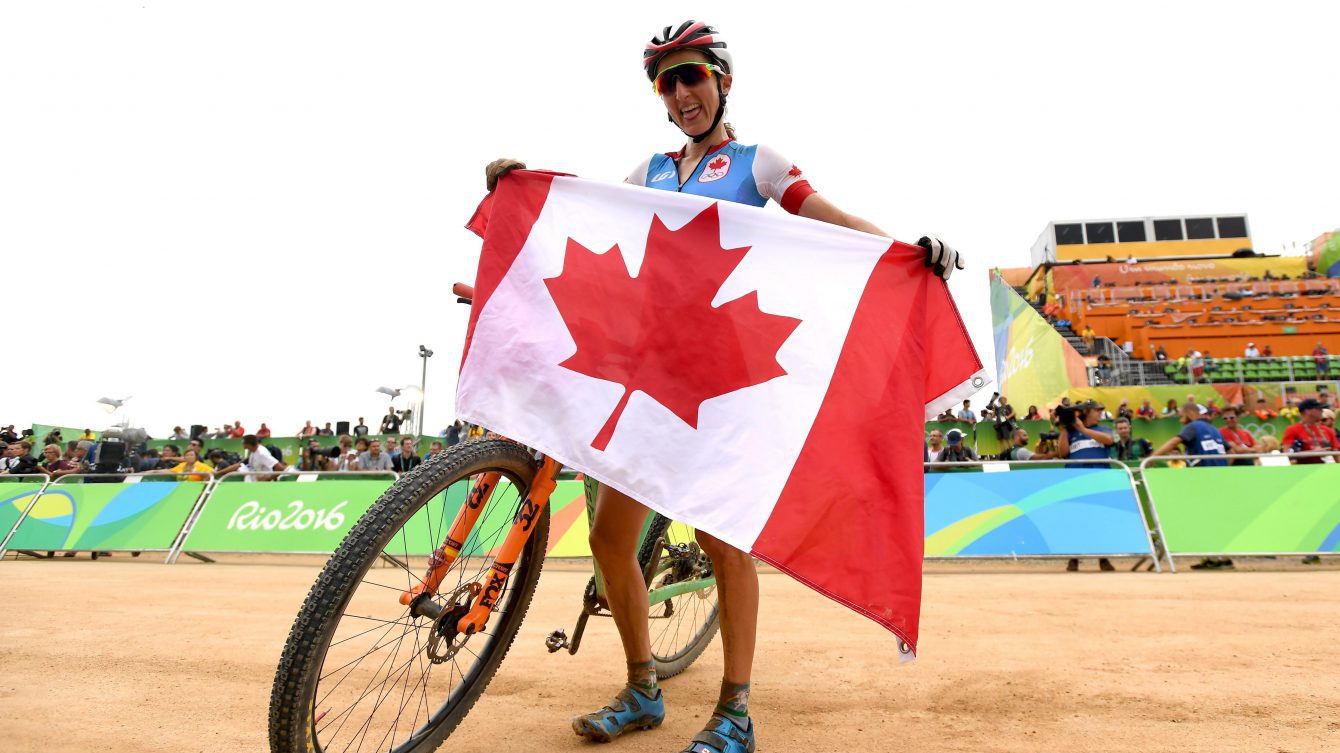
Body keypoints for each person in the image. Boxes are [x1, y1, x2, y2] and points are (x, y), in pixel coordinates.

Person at [485, 20, 968, 751]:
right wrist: (523, 187)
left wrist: (910, 251)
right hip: (649, 379)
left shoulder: (758, 162)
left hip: (721, 384)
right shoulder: (647, 173)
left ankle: (735, 710)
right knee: (612, 540)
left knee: (723, 544)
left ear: (722, 81)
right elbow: (580, 220)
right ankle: (643, 688)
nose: (682, 93)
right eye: (668, 81)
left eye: (693, 76)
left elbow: (834, 225)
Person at [1057, 401, 1116, 572]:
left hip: (1099, 477)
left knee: (1100, 518)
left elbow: (1109, 440)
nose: (1099, 413)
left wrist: (1083, 430)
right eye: (1097, 411)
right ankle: (1074, 558)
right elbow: (1063, 453)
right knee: (1076, 519)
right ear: (1087, 413)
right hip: (1076, 478)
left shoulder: (1102, 429)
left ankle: (1103, 559)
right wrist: (1062, 429)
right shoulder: (1069, 432)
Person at [1151, 405, 1228, 467]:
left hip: (1203, 475)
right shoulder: (1215, 429)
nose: (1180, 421)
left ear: (1190, 413)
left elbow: (1173, 442)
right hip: (1221, 474)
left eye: (1181, 416)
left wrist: (1152, 458)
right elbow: (1231, 451)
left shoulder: (1193, 426)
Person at [1281, 398, 1339, 464]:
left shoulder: (1327, 430)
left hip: (1325, 469)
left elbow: (1336, 453)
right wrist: (1312, 453)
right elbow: (1287, 453)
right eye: (1318, 409)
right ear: (1307, 411)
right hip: (1303, 470)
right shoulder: (1292, 430)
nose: (1321, 411)